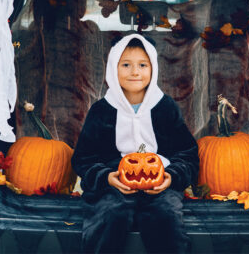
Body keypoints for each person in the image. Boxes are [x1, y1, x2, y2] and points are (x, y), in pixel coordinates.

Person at [72, 33, 199, 254]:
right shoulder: (102, 110)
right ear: (113, 68)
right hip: (114, 183)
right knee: (110, 213)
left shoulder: (165, 107)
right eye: (126, 65)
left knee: (166, 215)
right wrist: (105, 178)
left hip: (159, 184)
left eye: (142, 65)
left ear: (153, 69)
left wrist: (172, 177)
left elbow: (187, 153)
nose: (135, 72)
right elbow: (83, 157)